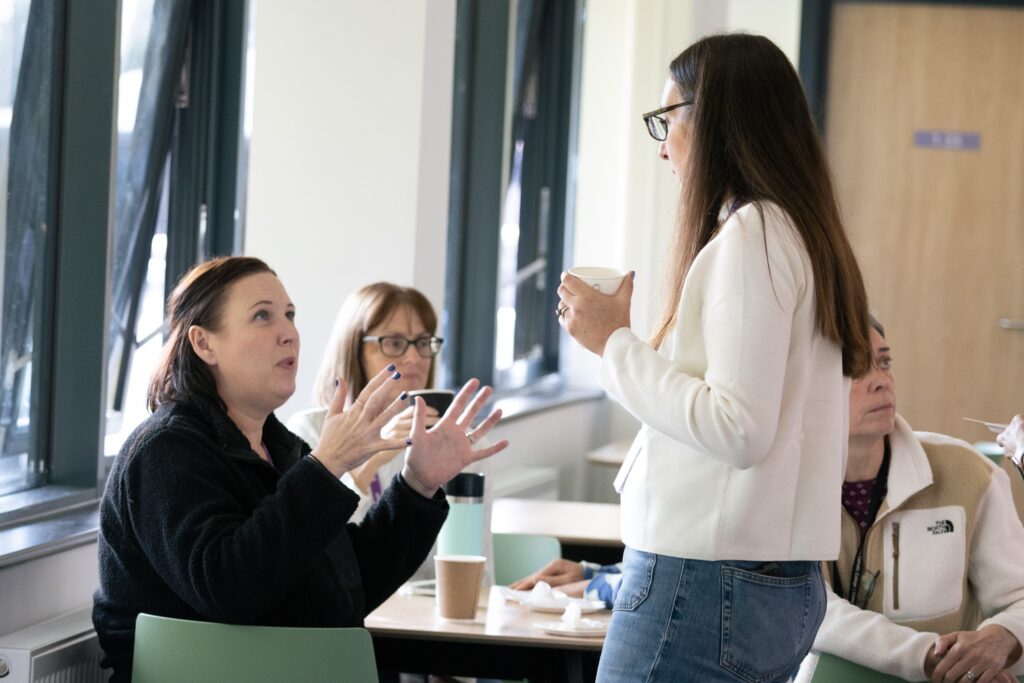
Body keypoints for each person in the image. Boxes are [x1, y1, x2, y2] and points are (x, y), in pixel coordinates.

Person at [555, 33, 872, 681]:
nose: (663, 146)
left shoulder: (753, 235)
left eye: (667, 119)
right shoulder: (800, 234)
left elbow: (737, 427)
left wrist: (612, 343)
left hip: (703, 579)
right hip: (772, 579)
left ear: (716, 120)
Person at [91, 257, 507, 682]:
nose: (289, 332)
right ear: (204, 343)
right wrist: (325, 466)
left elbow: (349, 583)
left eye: (289, 315)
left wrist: (417, 485)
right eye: (262, 316)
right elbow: (229, 589)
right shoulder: (165, 450)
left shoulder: (280, 446)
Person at [795, 319, 1024, 683]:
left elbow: (1020, 597)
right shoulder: (781, 488)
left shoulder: (971, 474)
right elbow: (808, 611)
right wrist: (937, 659)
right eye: (854, 368)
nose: (881, 380)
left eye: (884, 362)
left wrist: (1004, 637)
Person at [288, 283, 444, 522]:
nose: (414, 358)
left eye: (423, 343)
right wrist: (372, 460)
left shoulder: (448, 440)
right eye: (394, 343)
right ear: (354, 350)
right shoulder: (310, 430)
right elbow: (312, 535)